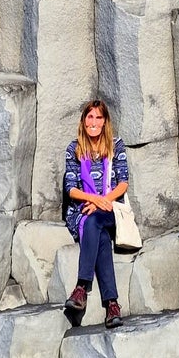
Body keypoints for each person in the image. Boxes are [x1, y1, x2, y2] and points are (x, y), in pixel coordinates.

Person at [63, 98, 129, 329]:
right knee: (98, 234)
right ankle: (112, 304)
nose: (94, 121)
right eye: (90, 116)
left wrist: (102, 202)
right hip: (83, 211)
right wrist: (93, 200)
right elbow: (71, 189)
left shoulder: (115, 145)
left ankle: (81, 288)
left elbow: (123, 184)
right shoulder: (74, 149)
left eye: (98, 117)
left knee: (96, 221)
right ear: (83, 121)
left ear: (104, 121)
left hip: (111, 210)